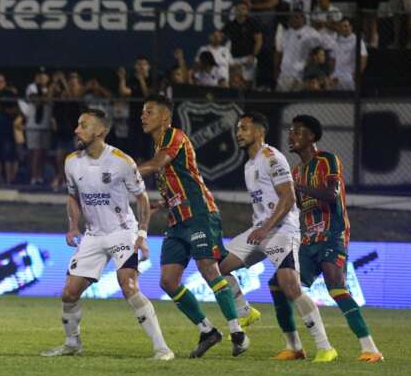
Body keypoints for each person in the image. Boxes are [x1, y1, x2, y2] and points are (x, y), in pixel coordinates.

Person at [43, 108, 172, 360]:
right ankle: (72, 344)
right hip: (93, 235)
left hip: (122, 232)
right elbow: (72, 196)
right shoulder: (71, 161)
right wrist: (73, 226)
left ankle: (162, 348)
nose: (76, 130)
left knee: (129, 285)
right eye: (78, 125)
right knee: (69, 293)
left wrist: (142, 234)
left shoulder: (122, 162)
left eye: (83, 125)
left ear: (100, 131)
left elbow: (142, 198)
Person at [217, 113, 336, 362]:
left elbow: (288, 197)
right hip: (260, 229)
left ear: (260, 132)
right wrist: (260, 228)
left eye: (245, 128)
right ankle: (247, 313)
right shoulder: (249, 165)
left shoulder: (272, 158)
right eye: (238, 129)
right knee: (219, 268)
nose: (239, 133)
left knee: (290, 287)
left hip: (282, 229)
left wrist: (266, 227)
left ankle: (325, 347)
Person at [137, 95, 248, 359]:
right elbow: (174, 181)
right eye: (142, 112)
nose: (143, 116)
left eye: (149, 112)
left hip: (199, 213)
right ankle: (208, 330)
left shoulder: (175, 137)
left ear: (165, 117)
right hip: (177, 220)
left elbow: (156, 166)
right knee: (168, 281)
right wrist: (161, 203)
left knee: (208, 267)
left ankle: (238, 332)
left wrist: (119, 171)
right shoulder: (158, 148)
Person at [288, 115, 383, 362]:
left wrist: (300, 188)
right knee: (291, 286)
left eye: (297, 132)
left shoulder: (327, 160)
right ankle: (312, 347)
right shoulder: (297, 171)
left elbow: (331, 194)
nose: (291, 136)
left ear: (311, 137)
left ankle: (370, 348)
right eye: (291, 131)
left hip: (333, 234)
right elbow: (300, 206)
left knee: (336, 285)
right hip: (308, 239)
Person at [331, 19, 367, 91]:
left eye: (346, 26)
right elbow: (332, 60)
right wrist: (332, 74)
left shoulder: (357, 41)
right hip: (336, 77)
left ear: (351, 27)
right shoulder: (335, 42)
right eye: (342, 27)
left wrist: (357, 74)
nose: (344, 29)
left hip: (350, 77)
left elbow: (363, 58)